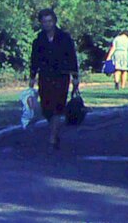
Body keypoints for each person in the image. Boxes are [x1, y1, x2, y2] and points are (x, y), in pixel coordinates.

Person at [28, 8, 79, 151]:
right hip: (45, 76)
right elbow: (34, 60)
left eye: (50, 21)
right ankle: (54, 130)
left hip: (61, 76)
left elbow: (72, 58)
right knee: (46, 107)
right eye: (44, 22)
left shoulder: (64, 38)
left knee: (58, 105)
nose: (47, 24)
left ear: (54, 21)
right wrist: (32, 77)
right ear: (41, 23)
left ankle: (52, 136)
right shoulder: (38, 40)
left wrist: (75, 77)